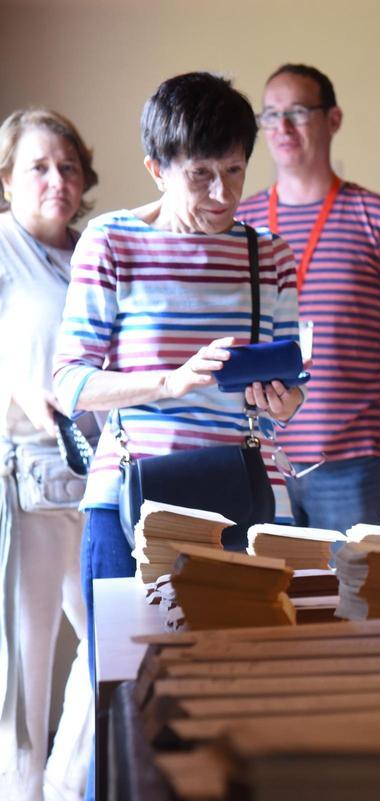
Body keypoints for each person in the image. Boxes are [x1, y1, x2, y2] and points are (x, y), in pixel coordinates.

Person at [52, 73, 305, 703]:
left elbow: (288, 393)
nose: (223, 194)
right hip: (128, 501)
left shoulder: (268, 255)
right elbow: (69, 383)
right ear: (157, 168)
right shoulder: (111, 242)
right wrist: (169, 381)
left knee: (237, 692)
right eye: (201, 174)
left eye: (236, 170)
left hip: (244, 503)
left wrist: (284, 403)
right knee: (123, 695)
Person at [238, 64, 380, 533]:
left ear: (334, 119)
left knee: (346, 599)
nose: (281, 128)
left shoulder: (375, 215)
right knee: (264, 600)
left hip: (348, 458)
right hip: (257, 454)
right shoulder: (242, 222)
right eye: (270, 115)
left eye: (298, 112)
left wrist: (364, 398)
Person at [0, 109, 94, 801]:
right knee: (22, 671)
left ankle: (64, 786)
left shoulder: (93, 249)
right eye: (37, 166)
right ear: (7, 178)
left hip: (98, 477)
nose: (56, 179)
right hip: (22, 483)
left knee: (121, 638)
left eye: (67, 165)